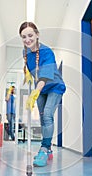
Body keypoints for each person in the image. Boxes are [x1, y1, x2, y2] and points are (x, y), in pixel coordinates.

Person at [19, 22, 66, 167]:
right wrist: (28, 74)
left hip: (54, 86)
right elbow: (30, 66)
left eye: (30, 35)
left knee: (47, 115)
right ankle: (49, 148)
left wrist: (35, 93)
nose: (27, 39)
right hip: (40, 88)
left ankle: (43, 149)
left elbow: (45, 77)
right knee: (41, 118)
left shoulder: (47, 52)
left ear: (37, 34)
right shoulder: (25, 51)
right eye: (24, 37)